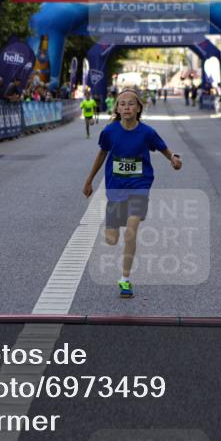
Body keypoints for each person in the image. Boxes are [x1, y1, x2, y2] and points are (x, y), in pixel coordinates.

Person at [82, 88, 182, 298]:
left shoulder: (147, 132)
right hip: (116, 187)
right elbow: (102, 154)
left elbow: (163, 148)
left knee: (131, 232)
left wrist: (173, 157)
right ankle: (111, 225)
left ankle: (125, 279)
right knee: (111, 239)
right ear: (117, 108)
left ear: (138, 108)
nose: (126, 107)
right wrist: (89, 179)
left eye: (130, 104)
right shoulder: (109, 132)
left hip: (140, 185)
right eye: (122, 104)